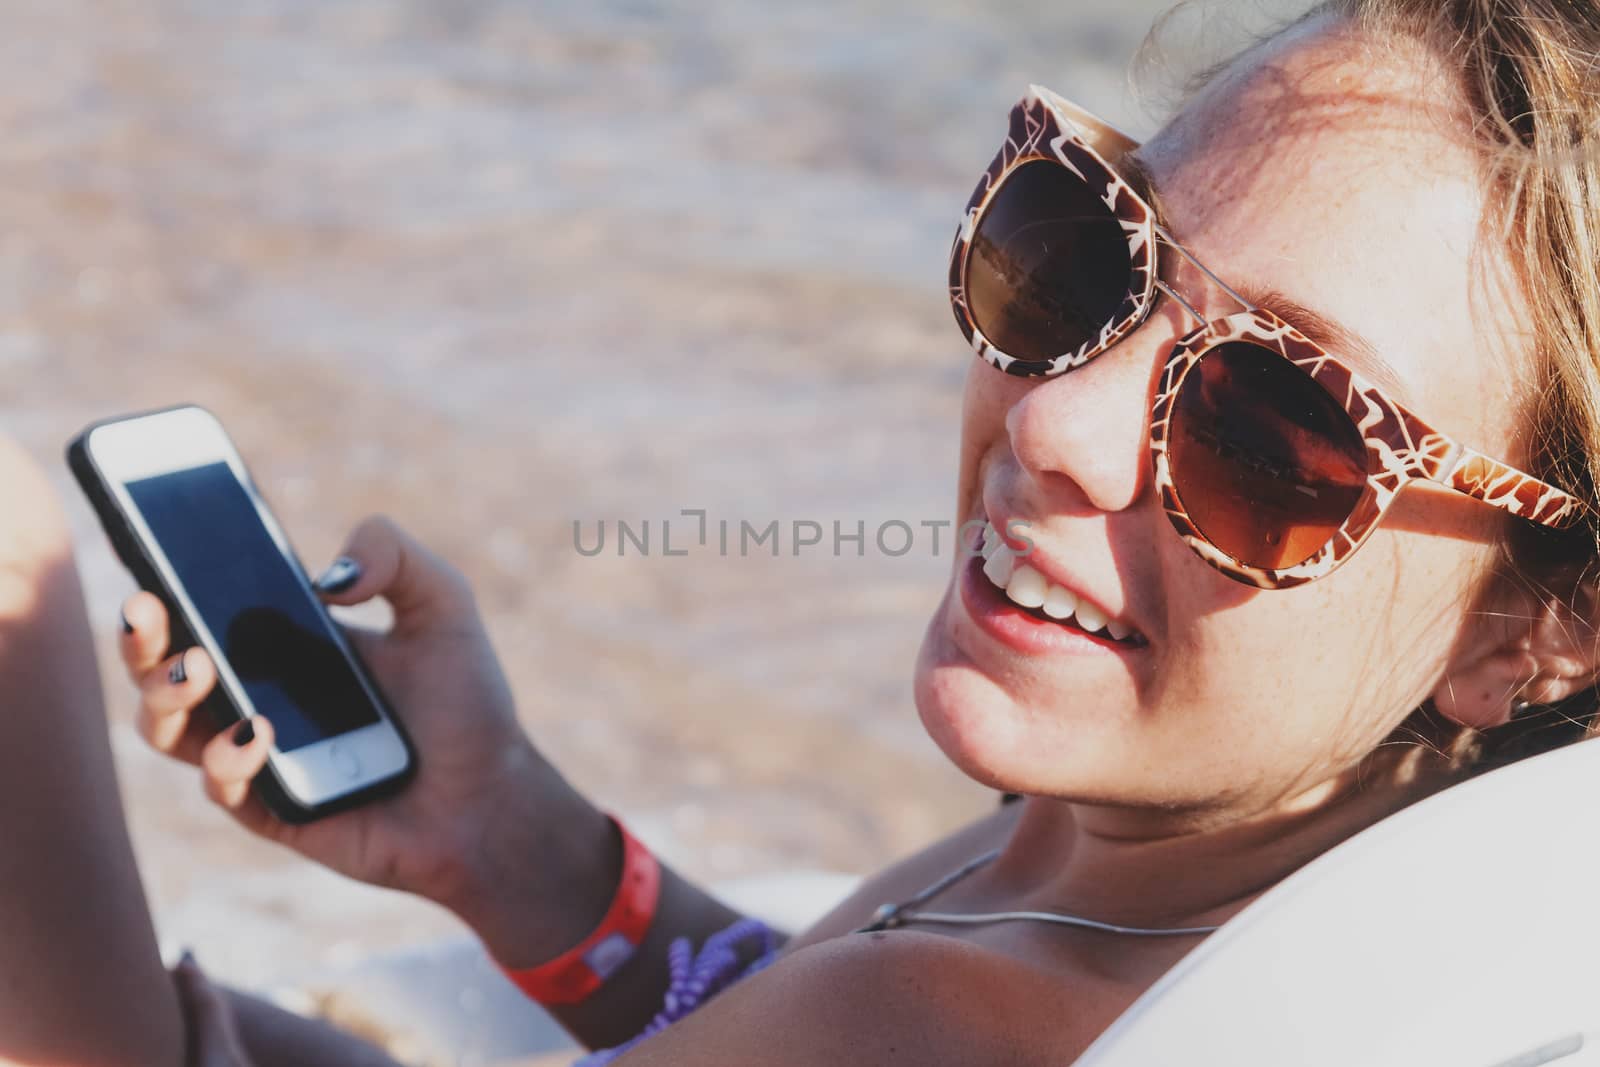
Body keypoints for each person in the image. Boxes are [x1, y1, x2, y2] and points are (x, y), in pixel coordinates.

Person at [5, 0, 1600, 1063]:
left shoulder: (951, 1019)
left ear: (1545, 629)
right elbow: (776, 1013)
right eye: (1083, 256)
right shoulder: (1195, 867)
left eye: (1274, 428)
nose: (1053, 420)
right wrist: (525, 854)